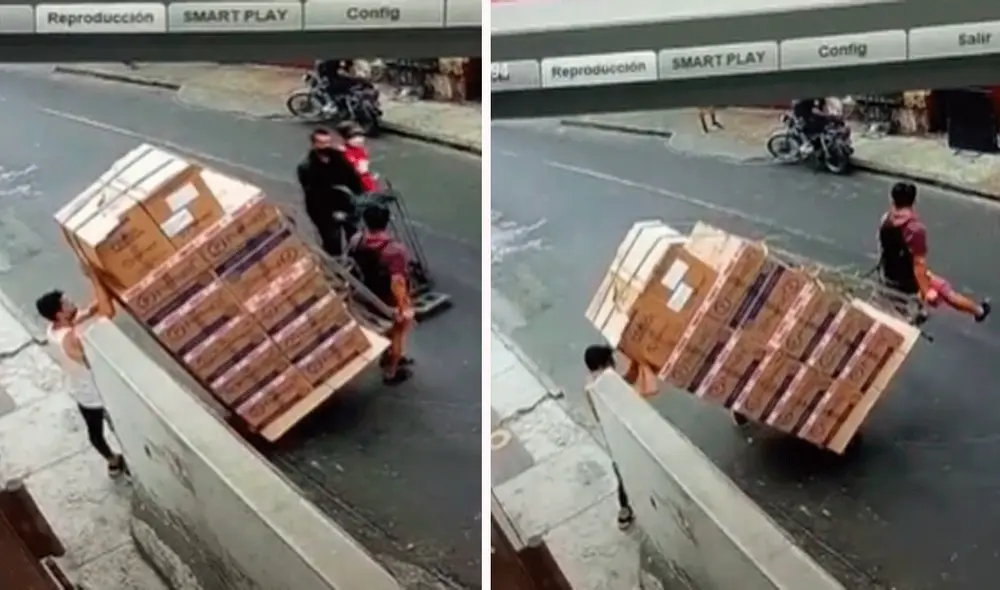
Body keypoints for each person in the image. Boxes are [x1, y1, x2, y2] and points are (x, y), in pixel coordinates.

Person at [35, 290, 127, 478]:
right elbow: (88, 359)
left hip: (80, 391)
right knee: (116, 427)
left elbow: (81, 316)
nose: (72, 302)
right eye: (67, 303)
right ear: (60, 314)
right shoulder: (69, 340)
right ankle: (123, 461)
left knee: (95, 431)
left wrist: (97, 300)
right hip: (95, 393)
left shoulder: (54, 329)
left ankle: (112, 461)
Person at [879, 182, 991, 322]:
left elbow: (883, 248)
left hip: (890, 274)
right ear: (914, 201)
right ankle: (979, 311)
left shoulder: (885, 219)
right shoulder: (915, 229)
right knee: (945, 291)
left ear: (892, 199)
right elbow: (918, 264)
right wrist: (927, 290)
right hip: (908, 278)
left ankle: (917, 310)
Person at [356, 204, 414, 385]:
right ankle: (392, 370)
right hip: (387, 299)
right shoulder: (395, 250)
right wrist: (403, 307)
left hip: (366, 296)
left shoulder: (356, 240)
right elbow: (398, 282)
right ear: (386, 222)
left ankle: (385, 354)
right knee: (398, 332)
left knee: (385, 330)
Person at [583, 344, 637, 530]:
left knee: (621, 470)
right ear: (603, 364)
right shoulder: (606, 383)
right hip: (622, 436)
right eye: (611, 362)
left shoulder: (590, 385)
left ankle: (625, 508)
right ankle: (624, 508)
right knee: (624, 472)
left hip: (613, 436)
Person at [297, 127, 365, 257]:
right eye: (321, 143)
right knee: (333, 243)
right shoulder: (307, 167)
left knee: (355, 240)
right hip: (324, 213)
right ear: (314, 144)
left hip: (346, 205)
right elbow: (314, 196)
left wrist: (359, 198)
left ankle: (357, 266)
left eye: (328, 142)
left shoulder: (338, 158)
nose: (326, 146)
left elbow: (352, 178)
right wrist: (331, 214)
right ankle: (336, 267)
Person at [336, 121, 378, 193]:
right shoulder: (344, 153)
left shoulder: (360, 150)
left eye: (361, 136)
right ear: (345, 139)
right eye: (353, 137)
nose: (359, 140)